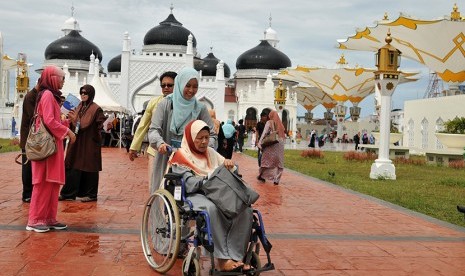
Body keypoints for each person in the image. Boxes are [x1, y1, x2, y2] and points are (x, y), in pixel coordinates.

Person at [169, 120, 253, 272]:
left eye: (207, 137)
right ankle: (222, 260)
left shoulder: (211, 153)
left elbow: (231, 169)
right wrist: (207, 178)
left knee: (244, 209)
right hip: (193, 194)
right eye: (199, 138)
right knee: (212, 209)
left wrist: (229, 164)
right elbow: (188, 183)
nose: (204, 142)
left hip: (215, 191)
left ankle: (237, 256)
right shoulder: (180, 156)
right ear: (190, 137)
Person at [148, 67, 216, 194]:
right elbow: (153, 130)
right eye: (187, 85)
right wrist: (160, 144)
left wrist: (203, 146)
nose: (191, 90)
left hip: (191, 159)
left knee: (190, 196)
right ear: (180, 84)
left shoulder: (200, 108)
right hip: (166, 157)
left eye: (195, 87)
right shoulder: (165, 104)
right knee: (161, 192)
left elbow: (212, 135)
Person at [27, 66, 76, 233]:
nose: (63, 81)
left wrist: (66, 122)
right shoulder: (47, 95)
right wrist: (67, 131)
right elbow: (48, 120)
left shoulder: (52, 96)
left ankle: (49, 218)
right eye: (61, 78)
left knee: (52, 183)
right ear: (53, 78)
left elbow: (54, 120)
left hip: (52, 147)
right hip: (46, 147)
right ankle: (35, 219)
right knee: (42, 183)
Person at [129, 71, 177, 190]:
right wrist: (134, 147)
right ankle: (154, 208)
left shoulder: (184, 104)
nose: (166, 88)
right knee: (155, 185)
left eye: (170, 85)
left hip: (176, 150)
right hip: (156, 149)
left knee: (175, 186)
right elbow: (143, 125)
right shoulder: (154, 102)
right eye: (163, 85)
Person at [59, 85, 106, 202]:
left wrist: (106, 126)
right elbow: (75, 124)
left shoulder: (96, 109)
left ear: (91, 94)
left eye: (85, 93)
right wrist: (67, 120)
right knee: (72, 165)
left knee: (89, 168)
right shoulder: (78, 106)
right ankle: (68, 193)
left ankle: (91, 195)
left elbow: (90, 125)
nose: (83, 95)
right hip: (77, 142)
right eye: (81, 92)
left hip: (89, 143)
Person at [19, 81, 40, 203]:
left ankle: (32, 192)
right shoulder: (30, 96)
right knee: (27, 167)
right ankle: (27, 194)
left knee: (33, 167)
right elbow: (33, 116)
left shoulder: (37, 95)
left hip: (33, 139)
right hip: (28, 139)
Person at [257, 110, 285, 185]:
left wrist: (260, 143)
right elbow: (283, 135)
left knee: (265, 160)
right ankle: (276, 180)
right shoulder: (281, 124)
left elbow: (264, 133)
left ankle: (262, 176)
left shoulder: (269, 122)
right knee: (279, 163)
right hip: (280, 145)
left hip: (271, 144)